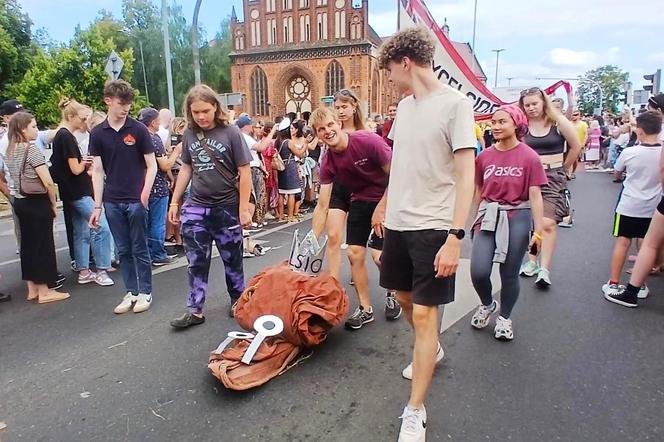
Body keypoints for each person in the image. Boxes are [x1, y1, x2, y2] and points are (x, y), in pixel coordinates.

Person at [377, 27, 476, 441]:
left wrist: (456, 236)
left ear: (405, 63)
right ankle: (430, 347)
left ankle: (414, 410)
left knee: (423, 312)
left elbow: (466, 175)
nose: (389, 80)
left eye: (389, 72)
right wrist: (384, 204)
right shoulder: (404, 108)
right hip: (398, 222)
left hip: (435, 226)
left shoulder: (456, 104)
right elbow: (402, 163)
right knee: (403, 300)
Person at [310, 107, 402, 329]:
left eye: (330, 125)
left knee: (379, 257)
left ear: (339, 124)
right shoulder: (328, 163)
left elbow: (398, 174)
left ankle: (393, 292)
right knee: (354, 253)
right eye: (321, 129)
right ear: (317, 134)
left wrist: (382, 208)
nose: (327, 131)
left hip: (387, 197)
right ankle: (365, 308)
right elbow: (323, 204)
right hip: (360, 200)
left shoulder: (368, 141)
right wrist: (312, 241)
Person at [168, 84, 252, 328]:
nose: (201, 117)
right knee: (196, 260)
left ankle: (238, 299)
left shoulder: (231, 132)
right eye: (196, 112)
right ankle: (195, 309)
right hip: (197, 206)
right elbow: (186, 167)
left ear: (216, 106)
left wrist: (243, 208)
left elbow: (244, 171)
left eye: (205, 110)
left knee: (232, 258)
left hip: (227, 206)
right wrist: (175, 200)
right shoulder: (190, 134)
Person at [469, 105, 547, 341]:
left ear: (516, 124)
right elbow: (479, 190)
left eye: (502, 121)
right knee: (478, 271)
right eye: (493, 122)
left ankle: (505, 318)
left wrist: (539, 232)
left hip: (518, 216)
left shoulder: (529, 157)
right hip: (489, 215)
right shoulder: (484, 156)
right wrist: (474, 219)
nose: (496, 126)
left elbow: (535, 195)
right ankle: (487, 304)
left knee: (509, 273)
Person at [89, 80, 158, 314]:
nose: (125, 108)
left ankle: (145, 291)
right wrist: (97, 206)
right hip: (112, 199)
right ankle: (132, 291)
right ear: (108, 101)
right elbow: (97, 171)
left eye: (128, 103)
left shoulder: (138, 129)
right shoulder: (98, 133)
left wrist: (145, 193)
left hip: (135, 198)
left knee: (140, 248)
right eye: (121, 103)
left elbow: (152, 164)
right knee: (123, 249)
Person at [518, 88, 582, 288]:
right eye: (527, 105)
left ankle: (544, 269)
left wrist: (564, 169)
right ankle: (532, 261)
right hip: (528, 177)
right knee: (532, 221)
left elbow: (575, 145)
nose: (531, 108)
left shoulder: (558, 122)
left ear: (543, 102)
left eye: (534, 104)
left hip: (553, 176)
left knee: (547, 223)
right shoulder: (522, 126)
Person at [5, 112, 70, 303]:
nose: (36, 130)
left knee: (28, 245)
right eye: (33, 126)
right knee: (43, 245)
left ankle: (32, 288)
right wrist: (52, 203)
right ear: (23, 128)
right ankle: (45, 290)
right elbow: (48, 182)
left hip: (20, 200)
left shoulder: (10, 149)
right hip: (36, 201)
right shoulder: (31, 150)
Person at [50, 98, 115, 286]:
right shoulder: (67, 137)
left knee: (81, 231)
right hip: (79, 190)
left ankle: (84, 271)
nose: (84, 122)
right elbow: (76, 169)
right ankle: (102, 269)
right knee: (100, 226)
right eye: (82, 118)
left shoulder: (61, 136)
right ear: (71, 117)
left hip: (70, 191)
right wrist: (85, 162)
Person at [603, 111, 663, 302]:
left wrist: (621, 177)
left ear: (640, 130)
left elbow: (617, 172)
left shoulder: (630, 152)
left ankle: (613, 282)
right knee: (645, 244)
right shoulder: (661, 153)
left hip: (629, 204)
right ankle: (641, 284)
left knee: (623, 241)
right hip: (653, 206)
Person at [325, 88, 367, 280]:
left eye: (344, 106)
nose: (341, 111)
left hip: (361, 189)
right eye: (337, 108)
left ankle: (356, 270)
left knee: (355, 243)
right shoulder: (334, 131)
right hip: (338, 186)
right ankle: (332, 283)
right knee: (333, 236)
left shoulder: (365, 132)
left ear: (354, 106)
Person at [138, 107, 181, 266]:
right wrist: (176, 152)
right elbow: (164, 165)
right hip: (157, 186)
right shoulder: (154, 139)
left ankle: (147, 253)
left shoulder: (137, 137)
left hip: (142, 186)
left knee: (146, 223)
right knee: (157, 222)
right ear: (153, 122)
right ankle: (158, 254)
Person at [237, 115, 268, 226]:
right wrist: (271, 133)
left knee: (257, 194)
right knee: (252, 196)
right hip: (249, 168)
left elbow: (256, 155)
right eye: (251, 125)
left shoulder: (247, 137)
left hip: (254, 166)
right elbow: (261, 147)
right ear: (245, 126)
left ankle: (255, 219)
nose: (253, 127)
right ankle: (249, 220)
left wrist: (262, 168)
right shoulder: (243, 137)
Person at [276, 118, 307, 222]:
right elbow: (300, 154)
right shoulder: (289, 142)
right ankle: (290, 216)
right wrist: (304, 146)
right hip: (290, 167)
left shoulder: (278, 141)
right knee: (291, 193)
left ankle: (280, 215)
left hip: (281, 168)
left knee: (281, 192)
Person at [569, 110, 588, 179]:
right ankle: (569, 173)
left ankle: (572, 172)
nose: (574, 116)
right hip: (569, 143)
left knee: (575, 159)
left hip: (578, 144)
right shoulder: (569, 123)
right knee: (568, 158)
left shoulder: (583, 124)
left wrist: (583, 143)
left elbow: (586, 134)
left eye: (576, 115)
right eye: (573, 114)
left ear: (579, 116)